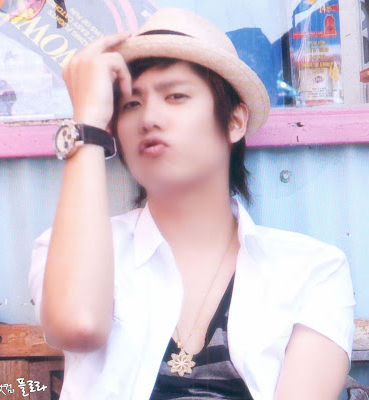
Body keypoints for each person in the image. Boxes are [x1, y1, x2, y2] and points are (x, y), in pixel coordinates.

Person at [28, 7, 356, 400]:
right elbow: (78, 325)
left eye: (176, 96)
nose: (149, 118)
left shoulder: (310, 270)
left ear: (234, 121)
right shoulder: (71, 249)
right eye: (130, 104)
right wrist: (86, 126)